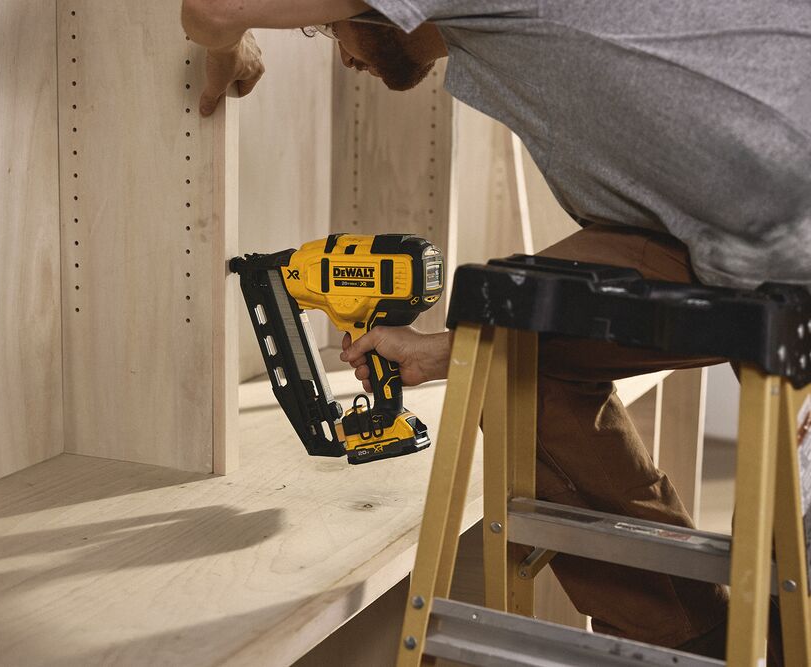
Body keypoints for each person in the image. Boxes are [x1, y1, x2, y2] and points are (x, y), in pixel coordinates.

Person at [182, 0, 811, 661]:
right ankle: (690, 639)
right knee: (513, 344)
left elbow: (212, 8)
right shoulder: (503, 38)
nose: (341, 53)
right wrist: (448, 351)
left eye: (328, 27)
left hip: (792, 234)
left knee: (794, 582)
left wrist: (231, 51)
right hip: (736, 249)